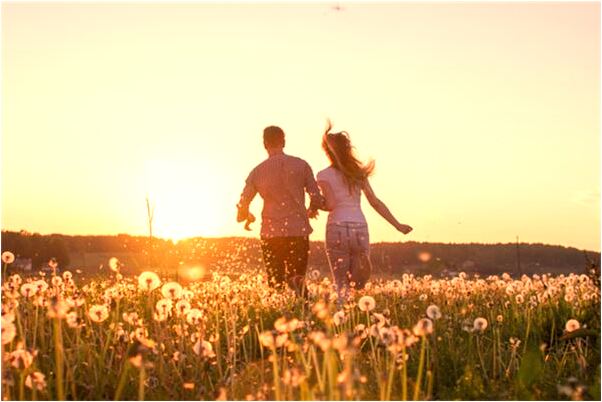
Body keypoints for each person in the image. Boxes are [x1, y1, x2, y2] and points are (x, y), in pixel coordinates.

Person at [316, 121, 413, 301]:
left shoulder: (323, 175)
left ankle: (343, 317)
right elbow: (375, 202)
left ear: (328, 151)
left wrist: (315, 204)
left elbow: (329, 205)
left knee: (341, 283)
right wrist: (397, 225)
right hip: (359, 227)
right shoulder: (357, 173)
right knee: (357, 283)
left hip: (336, 227)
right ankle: (358, 293)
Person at [237, 126, 324, 296]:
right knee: (297, 281)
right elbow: (317, 198)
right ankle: (305, 317)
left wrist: (248, 216)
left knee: (275, 284)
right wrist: (312, 209)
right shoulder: (302, 165)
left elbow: (242, 207)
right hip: (298, 231)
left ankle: (278, 318)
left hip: (271, 234)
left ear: (264, 144)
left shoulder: (256, 172)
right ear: (283, 142)